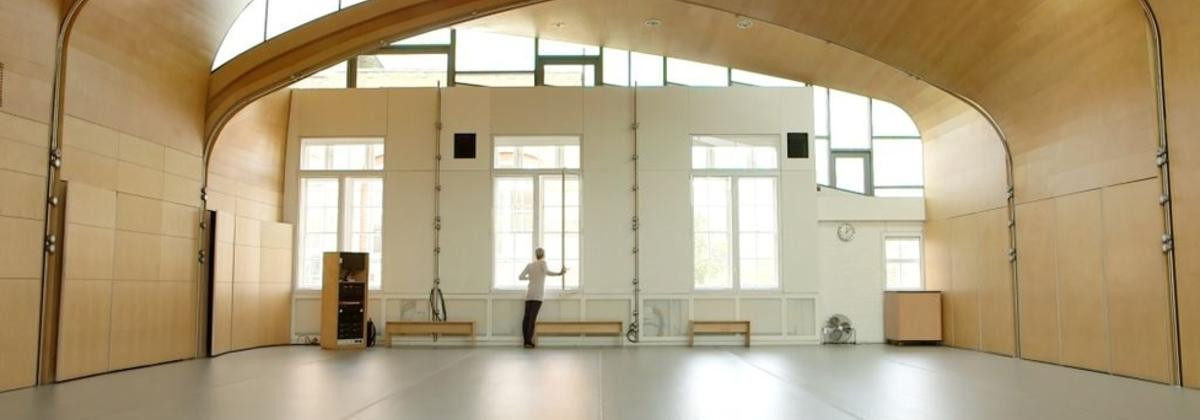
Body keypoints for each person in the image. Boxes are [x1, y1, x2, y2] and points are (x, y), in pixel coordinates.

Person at [518, 248, 567, 348]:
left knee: (526, 318)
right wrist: (559, 273)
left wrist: (530, 278)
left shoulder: (530, 265)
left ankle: (525, 341)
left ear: (535, 255)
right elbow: (547, 272)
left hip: (529, 295)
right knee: (532, 319)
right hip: (537, 296)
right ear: (543, 254)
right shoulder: (543, 263)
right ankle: (528, 342)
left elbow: (520, 277)